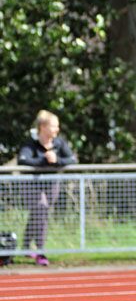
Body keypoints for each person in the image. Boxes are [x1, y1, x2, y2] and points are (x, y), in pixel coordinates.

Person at [17, 110, 77, 265]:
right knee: (41, 208)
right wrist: (43, 160)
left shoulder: (59, 142)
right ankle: (41, 251)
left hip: (51, 185)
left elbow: (72, 159)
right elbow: (23, 160)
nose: (57, 130)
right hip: (32, 185)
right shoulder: (31, 142)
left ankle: (25, 246)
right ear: (43, 127)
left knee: (39, 214)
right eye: (54, 126)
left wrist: (57, 160)